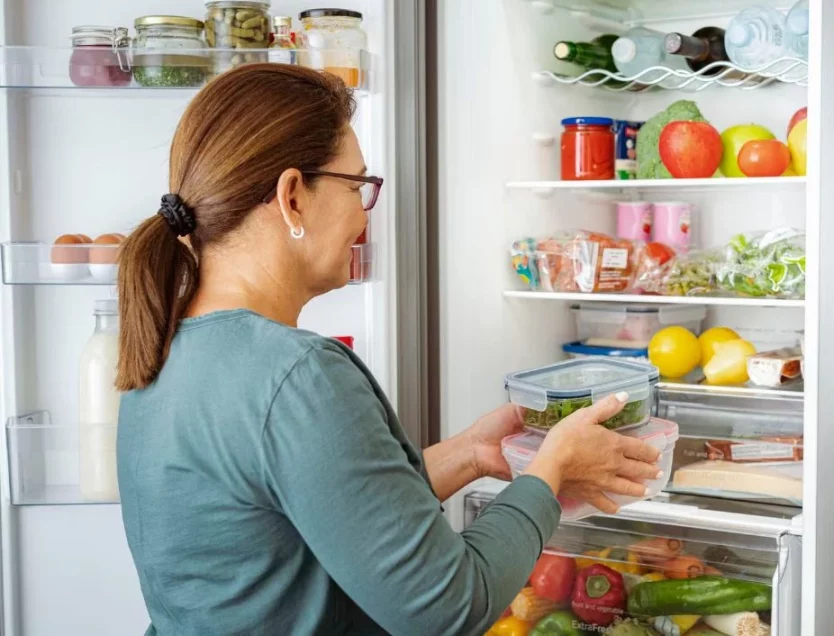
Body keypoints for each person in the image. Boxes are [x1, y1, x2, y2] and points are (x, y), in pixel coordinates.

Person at [115, 64, 662, 636]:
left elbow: (325, 516)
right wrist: (549, 472)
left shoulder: (161, 348)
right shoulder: (296, 375)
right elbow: (451, 607)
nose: (362, 213)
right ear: (292, 197)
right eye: (356, 187)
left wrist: (471, 454)